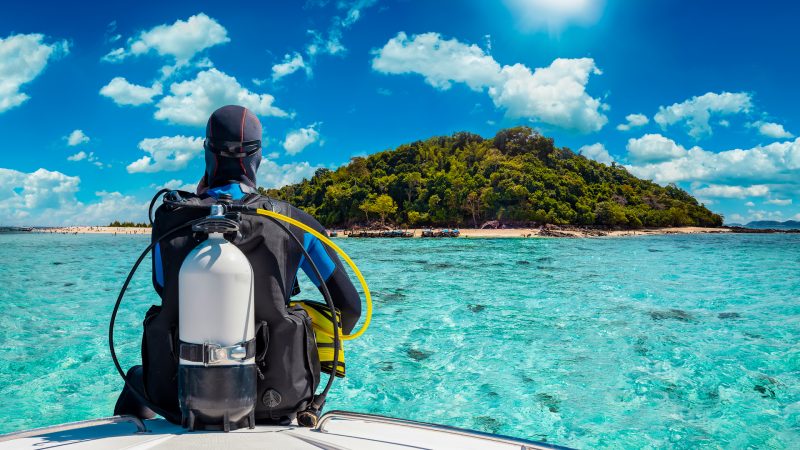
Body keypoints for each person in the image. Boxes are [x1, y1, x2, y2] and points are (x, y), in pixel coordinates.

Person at [114, 105, 362, 423]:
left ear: (207, 152)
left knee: (137, 376)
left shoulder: (170, 221)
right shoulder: (295, 223)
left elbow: (166, 290)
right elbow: (350, 309)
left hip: (180, 397)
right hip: (278, 397)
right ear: (257, 157)